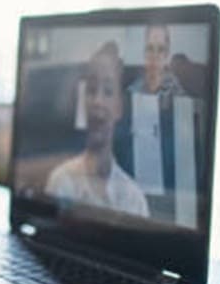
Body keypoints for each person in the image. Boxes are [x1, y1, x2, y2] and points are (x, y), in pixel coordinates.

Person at [45, 41, 150, 218]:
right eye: (91, 90)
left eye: (108, 91)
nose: (97, 101)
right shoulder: (61, 182)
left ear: (119, 107)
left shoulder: (134, 200)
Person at [127, 24, 185, 107]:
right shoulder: (133, 89)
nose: (154, 56)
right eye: (150, 48)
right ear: (144, 52)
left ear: (167, 54)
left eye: (160, 49)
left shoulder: (177, 92)